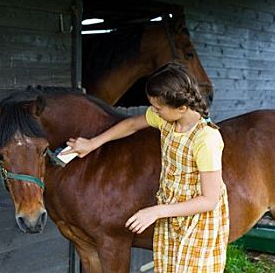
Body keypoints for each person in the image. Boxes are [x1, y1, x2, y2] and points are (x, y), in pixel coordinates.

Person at [63, 62, 229, 272]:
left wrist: (156, 211)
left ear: (182, 108)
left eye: (158, 108)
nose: (154, 112)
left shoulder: (206, 140)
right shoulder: (169, 121)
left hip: (196, 222)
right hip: (170, 212)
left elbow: (209, 200)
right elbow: (131, 124)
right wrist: (93, 143)